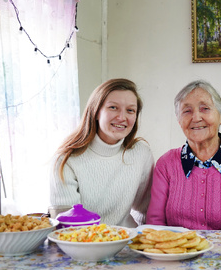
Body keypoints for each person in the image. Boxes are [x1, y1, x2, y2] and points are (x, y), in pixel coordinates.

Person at [146, 80, 221, 231]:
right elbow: (155, 225)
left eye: (205, 109)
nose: (196, 118)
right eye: (187, 111)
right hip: (176, 252)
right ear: (179, 120)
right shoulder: (166, 164)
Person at [50, 78, 154, 228]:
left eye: (130, 110)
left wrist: (139, 238)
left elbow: (145, 211)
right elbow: (67, 226)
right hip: (84, 245)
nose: (122, 117)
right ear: (96, 112)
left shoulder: (141, 153)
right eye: (113, 107)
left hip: (127, 242)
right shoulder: (66, 160)